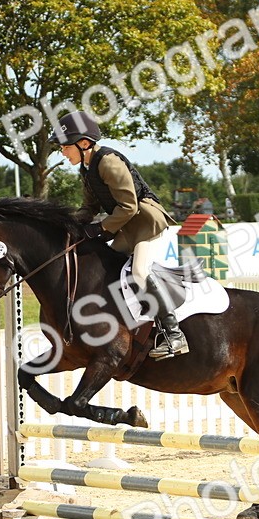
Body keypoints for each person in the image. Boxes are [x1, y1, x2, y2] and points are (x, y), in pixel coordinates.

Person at [53, 110, 189, 358]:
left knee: (138, 272)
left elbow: (130, 206)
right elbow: (90, 208)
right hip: (127, 226)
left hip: (147, 222)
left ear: (84, 143)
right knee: (105, 270)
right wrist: (71, 224)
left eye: (65, 146)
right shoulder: (86, 168)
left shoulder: (108, 162)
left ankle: (173, 333)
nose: (62, 152)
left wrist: (101, 228)